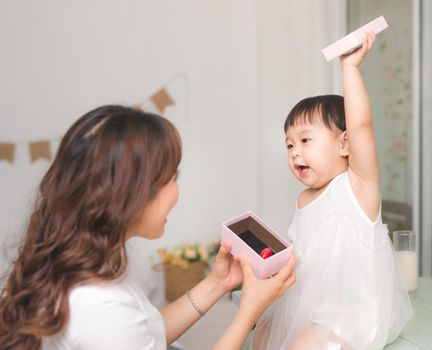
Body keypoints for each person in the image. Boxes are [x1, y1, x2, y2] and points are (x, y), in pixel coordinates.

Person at [0, 105, 296, 350]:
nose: (177, 191)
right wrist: (248, 312)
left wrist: (218, 283)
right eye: (172, 177)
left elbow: (148, 333)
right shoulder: (100, 308)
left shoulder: (87, 259)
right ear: (132, 194)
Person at [252, 33, 413, 350]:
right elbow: (303, 256)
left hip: (355, 314)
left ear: (344, 143)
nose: (295, 152)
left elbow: (361, 126)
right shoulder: (304, 199)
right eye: (289, 144)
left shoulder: (358, 186)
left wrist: (350, 68)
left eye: (306, 140)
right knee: (260, 336)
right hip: (312, 307)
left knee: (299, 347)